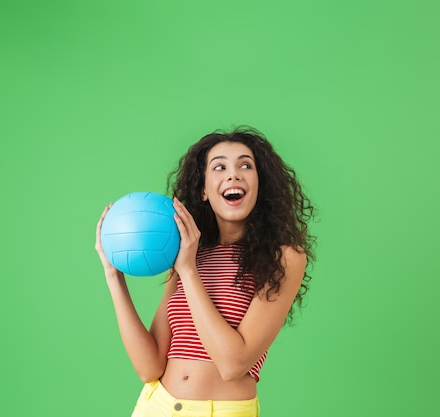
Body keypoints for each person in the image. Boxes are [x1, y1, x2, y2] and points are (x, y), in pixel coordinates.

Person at [95, 126, 315, 417]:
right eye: (219, 166)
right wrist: (114, 276)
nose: (233, 174)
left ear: (261, 184)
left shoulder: (284, 258)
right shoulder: (187, 252)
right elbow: (149, 367)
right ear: (203, 190)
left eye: (245, 165)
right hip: (155, 406)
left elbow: (233, 364)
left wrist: (188, 271)